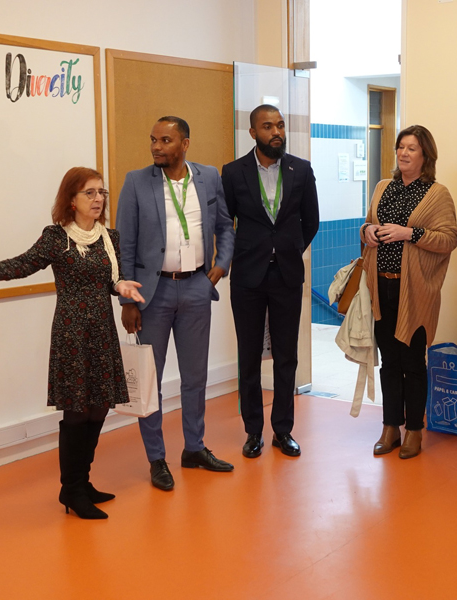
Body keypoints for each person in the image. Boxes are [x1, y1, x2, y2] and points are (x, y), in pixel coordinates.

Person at [0, 167, 144, 520]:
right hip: (72, 333)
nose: (98, 199)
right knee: (77, 411)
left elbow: (115, 278)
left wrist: (122, 286)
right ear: (71, 200)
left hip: (101, 332)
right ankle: (72, 489)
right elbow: (23, 264)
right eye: (90, 193)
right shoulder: (56, 238)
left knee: (99, 408)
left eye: (101, 192)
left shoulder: (109, 237)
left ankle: (82, 482)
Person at [116, 116, 236, 492]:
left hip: (197, 287)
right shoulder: (136, 182)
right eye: (153, 139)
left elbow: (225, 226)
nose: (156, 146)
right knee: (150, 379)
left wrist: (220, 266)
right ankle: (156, 458)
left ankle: (194, 448)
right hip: (153, 293)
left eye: (165, 140)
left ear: (185, 144)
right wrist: (128, 300)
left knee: (195, 377)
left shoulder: (209, 177)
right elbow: (125, 244)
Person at [221, 104, 320, 459]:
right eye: (267, 126)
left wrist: (287, 250)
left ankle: (283, 430)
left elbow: (311, 221)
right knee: (248, 356)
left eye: (280, 125)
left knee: (286, 356)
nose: (276, 132)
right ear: (253, 133)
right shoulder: (233, 172)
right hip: (247, 276)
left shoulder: (301, 170)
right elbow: (225, 223)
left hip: (286, 275)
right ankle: (253, 431)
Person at [360, 125, 457, 459]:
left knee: (413, 362)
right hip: (381, 287)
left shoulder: (437, 193)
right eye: (400, 147)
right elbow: (368, 223)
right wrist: (367, 230)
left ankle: (415, 429)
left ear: (425, 155)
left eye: (411, 148)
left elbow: (449, 239)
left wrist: (410, 233)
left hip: (415, 291)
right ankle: (390, 427)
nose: (403, 153)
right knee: (389, 361)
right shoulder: (382, 187)